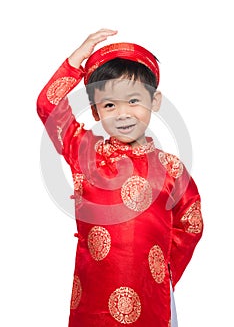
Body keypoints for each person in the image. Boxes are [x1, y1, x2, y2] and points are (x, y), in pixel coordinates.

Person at [37, 29, 203, 327]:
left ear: (155, 101)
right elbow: (48, 108)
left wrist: (163, 274)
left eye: (134, 101)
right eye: (110, 105)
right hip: (94, 293)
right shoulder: (86, 153)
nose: (122, 114)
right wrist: (76, 62)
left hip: (153, 293)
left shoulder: (171, 168)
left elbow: (191, 223)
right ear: (96, 112)